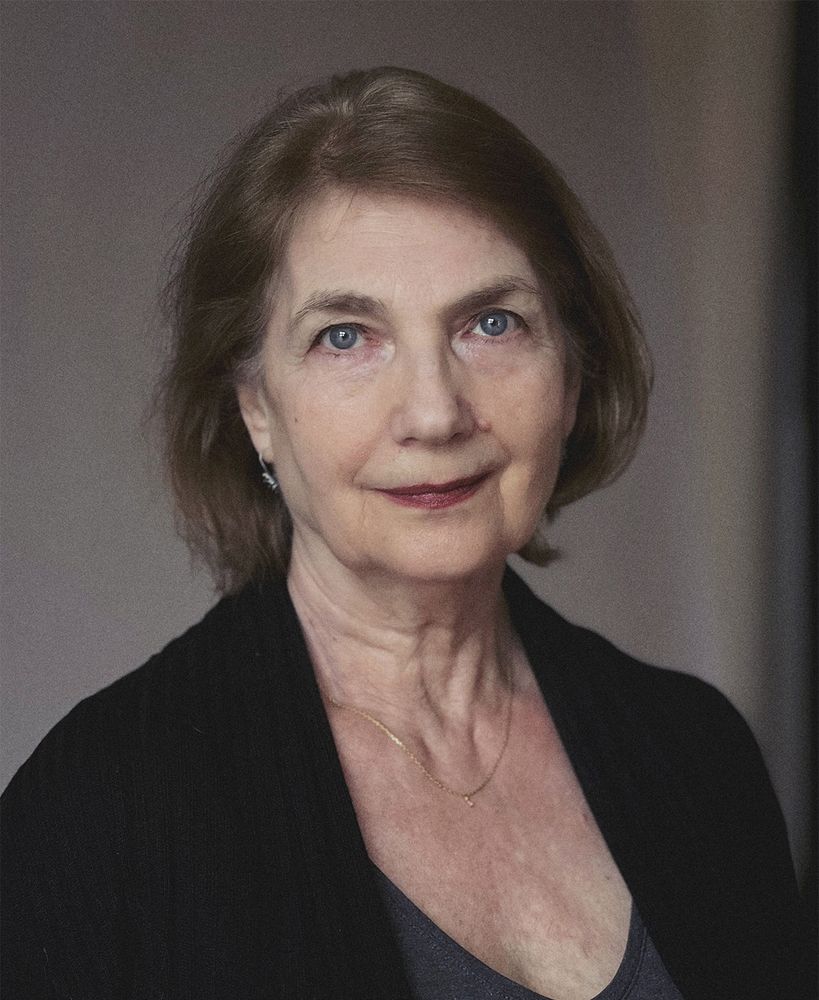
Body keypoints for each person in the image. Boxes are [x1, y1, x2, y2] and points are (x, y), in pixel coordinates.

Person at [1, 67, 809, 1000]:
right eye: (346, 336)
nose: (433, 412)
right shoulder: (95, 816)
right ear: (256, 406)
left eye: (492, 323)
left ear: (573, 374)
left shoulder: (697, 753)